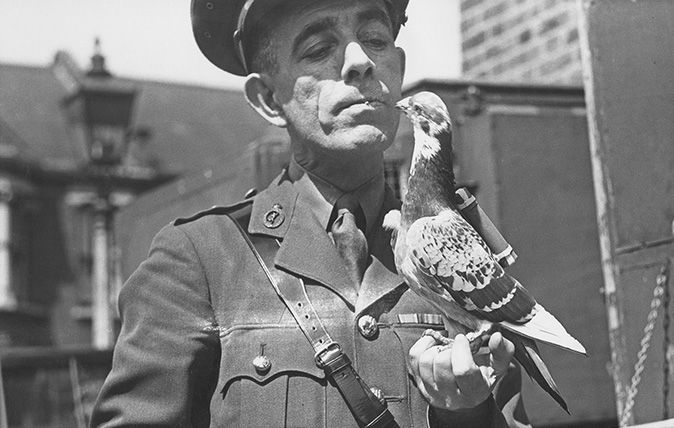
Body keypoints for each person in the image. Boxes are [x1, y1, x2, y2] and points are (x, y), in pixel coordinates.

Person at [91, 0, 530, 426]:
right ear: (266, 97)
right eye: (319, 49)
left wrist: (466, 413)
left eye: (375, 38)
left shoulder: (460, 250)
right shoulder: (199, 260)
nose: (359, 61)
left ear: (398, 67)